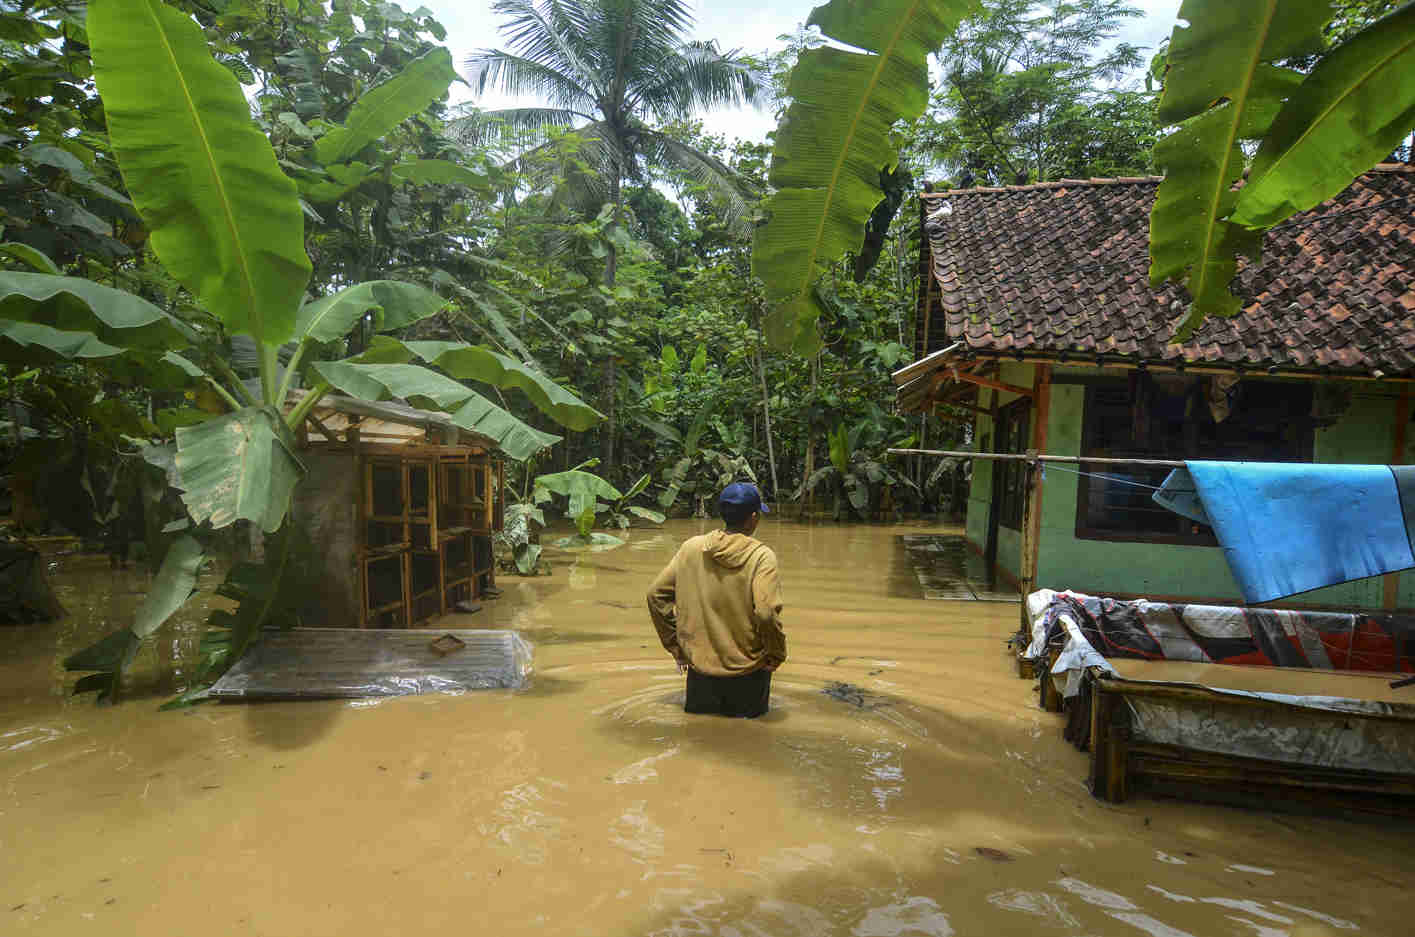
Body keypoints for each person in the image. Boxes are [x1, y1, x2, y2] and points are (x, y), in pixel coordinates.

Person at [646, 482, 786, 718]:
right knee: (749, 742)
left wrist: (676, 647)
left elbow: (655, 595)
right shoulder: (762, 557)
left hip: (700, 670)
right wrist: (777, 653)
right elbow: (765, 613)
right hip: (749, 672)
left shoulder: (692, 548)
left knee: (697, 740)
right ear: (753, 518)